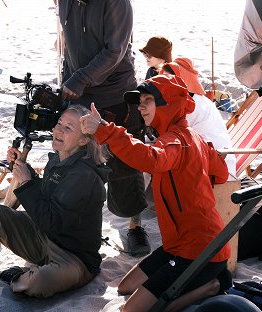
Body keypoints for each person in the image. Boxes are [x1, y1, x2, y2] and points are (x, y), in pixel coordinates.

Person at [80, 75, 232, 312]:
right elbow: (221, 173)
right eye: (139, 101)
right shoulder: (192, 139)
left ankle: (210, 287)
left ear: (169, 104)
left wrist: (105, 131)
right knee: (124, 286)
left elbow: (150, 158)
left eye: (148, 100)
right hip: (178, 246)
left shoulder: (176, 141)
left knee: (132, 310)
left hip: (197, 252)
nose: (140, 107)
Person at [0, 105, 110, 298]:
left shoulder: (84, 174)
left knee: (41, 281)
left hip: (74, 257)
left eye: (68, 128)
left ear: (83, 139)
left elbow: (51, 221)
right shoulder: (58, 159)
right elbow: (46, 195)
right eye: (59, 123)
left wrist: (26, 181)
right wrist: (23, 169)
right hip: (43, 238)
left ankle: (16, 276)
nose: (58, 130)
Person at [58, 0, 151, 257]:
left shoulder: (117, 3)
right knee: (79, 162)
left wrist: (80, 78)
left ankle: (134, 228)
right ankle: (78, 228)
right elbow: (68, 46)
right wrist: (66, 82)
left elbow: (115, 50)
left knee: (125, 163)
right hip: (79, 92)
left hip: (116, 94)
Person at [159, 57, 237, 176]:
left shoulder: (194, 106)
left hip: (217, 167)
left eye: (171, 80)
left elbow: (171, 135)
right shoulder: (192, 100)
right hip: (204, 158)